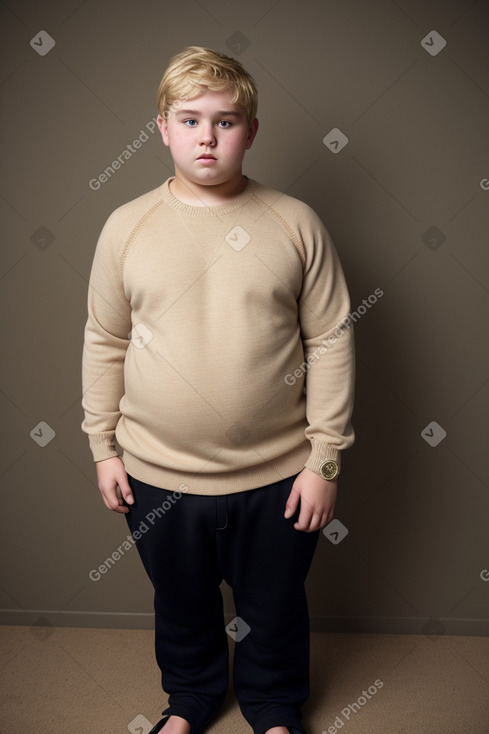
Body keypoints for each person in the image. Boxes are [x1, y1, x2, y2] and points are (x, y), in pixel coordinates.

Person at [81, 46, 355, 734]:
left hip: (277, 473)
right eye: (190, 119)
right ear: (162, 129)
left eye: (226, 120)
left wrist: (324, 459)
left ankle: (271, 708)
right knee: (180, 602)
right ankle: (191, 701)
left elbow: (329, 341)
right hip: (156, 473)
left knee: (274, 602)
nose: (208, 136)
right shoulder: (125, 227)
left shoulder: (296, 222)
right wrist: (101, 448)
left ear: (251, 131)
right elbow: (103, 341)